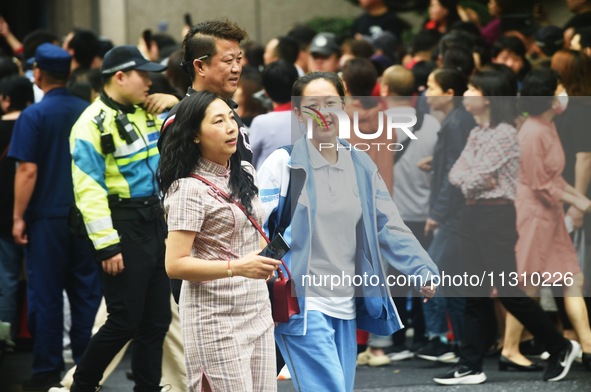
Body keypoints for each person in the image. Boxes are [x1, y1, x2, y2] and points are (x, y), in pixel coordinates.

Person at [257, 72, 439, 392]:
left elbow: (388, 224)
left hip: (345, 302)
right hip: (302, 303)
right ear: (298, 114)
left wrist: (421, 267)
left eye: (331, 103)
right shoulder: (282, 164)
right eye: (312, 105)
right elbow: (255, 229)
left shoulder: (360, 164)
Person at [434, 69, 581, 385]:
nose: (467, 92)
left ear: (487, 96)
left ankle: (560, 346)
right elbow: (457, 176)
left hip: (497, 216)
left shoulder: (504, 134)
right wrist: (473, 178)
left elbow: (470, 178)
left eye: (473, 88)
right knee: (474, 289)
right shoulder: (479, 132)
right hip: (475, 215)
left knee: (509, 291)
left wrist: (474, 178)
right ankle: (470, 364)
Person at [68, 45, 174, 392]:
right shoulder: (90, 124)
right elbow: (89, 191)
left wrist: (174, 101)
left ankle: (147, 387)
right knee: (125, 320)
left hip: (154, 222)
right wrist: (107, 245)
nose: (150, 81)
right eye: (143, 75)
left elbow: (190, 126)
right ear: (120, 77)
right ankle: (82, 384)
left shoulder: (146, 110)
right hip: (122, 226)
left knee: (156, 321)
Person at [158, 90, 280, 391]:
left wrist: (261, 262)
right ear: (195, 135)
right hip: (214, 318)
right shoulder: (187, 189)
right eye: (218, 121)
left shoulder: (246, 172)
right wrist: (238, 267)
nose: (231, 127)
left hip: (257, 309)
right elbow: (175, 265)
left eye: (231, 118)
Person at [7, 43, 102, 391]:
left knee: (46, 295)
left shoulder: (33, 115)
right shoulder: (88, 111)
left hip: (46, 218)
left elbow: (27, 170)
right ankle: (86, 370)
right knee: (86, 294)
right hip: (86, 215)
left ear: (38, 73)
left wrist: (18, 217)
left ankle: (47, 370)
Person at [502, 68, 591, 372]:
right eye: (558, 88)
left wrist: (580, 201)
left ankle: (588, 345)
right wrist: (579, 201)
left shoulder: (546, 126)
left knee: (571, 278)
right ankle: (510, 348)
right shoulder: (532, 131)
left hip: (548, 211)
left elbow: (553, 179)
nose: (562, 92)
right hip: (535, 214)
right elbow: (541, 183)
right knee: (529, 284)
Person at [418, 68, 475, 363]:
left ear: (448, 93)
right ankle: (463, 341)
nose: (426, 92)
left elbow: (455, 173)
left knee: (432, 271)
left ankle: (440, 338)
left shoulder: (455, 123)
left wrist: (437, 213)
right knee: (452, 279)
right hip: (458, 212)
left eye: (431, 86)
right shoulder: (457, 120)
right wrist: (436, 160)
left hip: (453, 214)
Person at [159, 18, 252, 163]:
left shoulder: (227, 108)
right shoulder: (182, 119)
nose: (236, 68)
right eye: (228, 61)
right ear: (200, 67)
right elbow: (176, 182)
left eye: (239, 60)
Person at [0, 75, 33, 344]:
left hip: (4, 216)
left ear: (5, 99)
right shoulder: (35, 121)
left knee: (7, 278)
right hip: (37, 212)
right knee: (38, 277)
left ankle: (6, 336)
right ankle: (33, 332)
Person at [249, 59, 299, 170]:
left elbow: (250, 160)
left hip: (269, 184)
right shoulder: (309, 118)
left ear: (265, 91)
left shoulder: (261, 122)